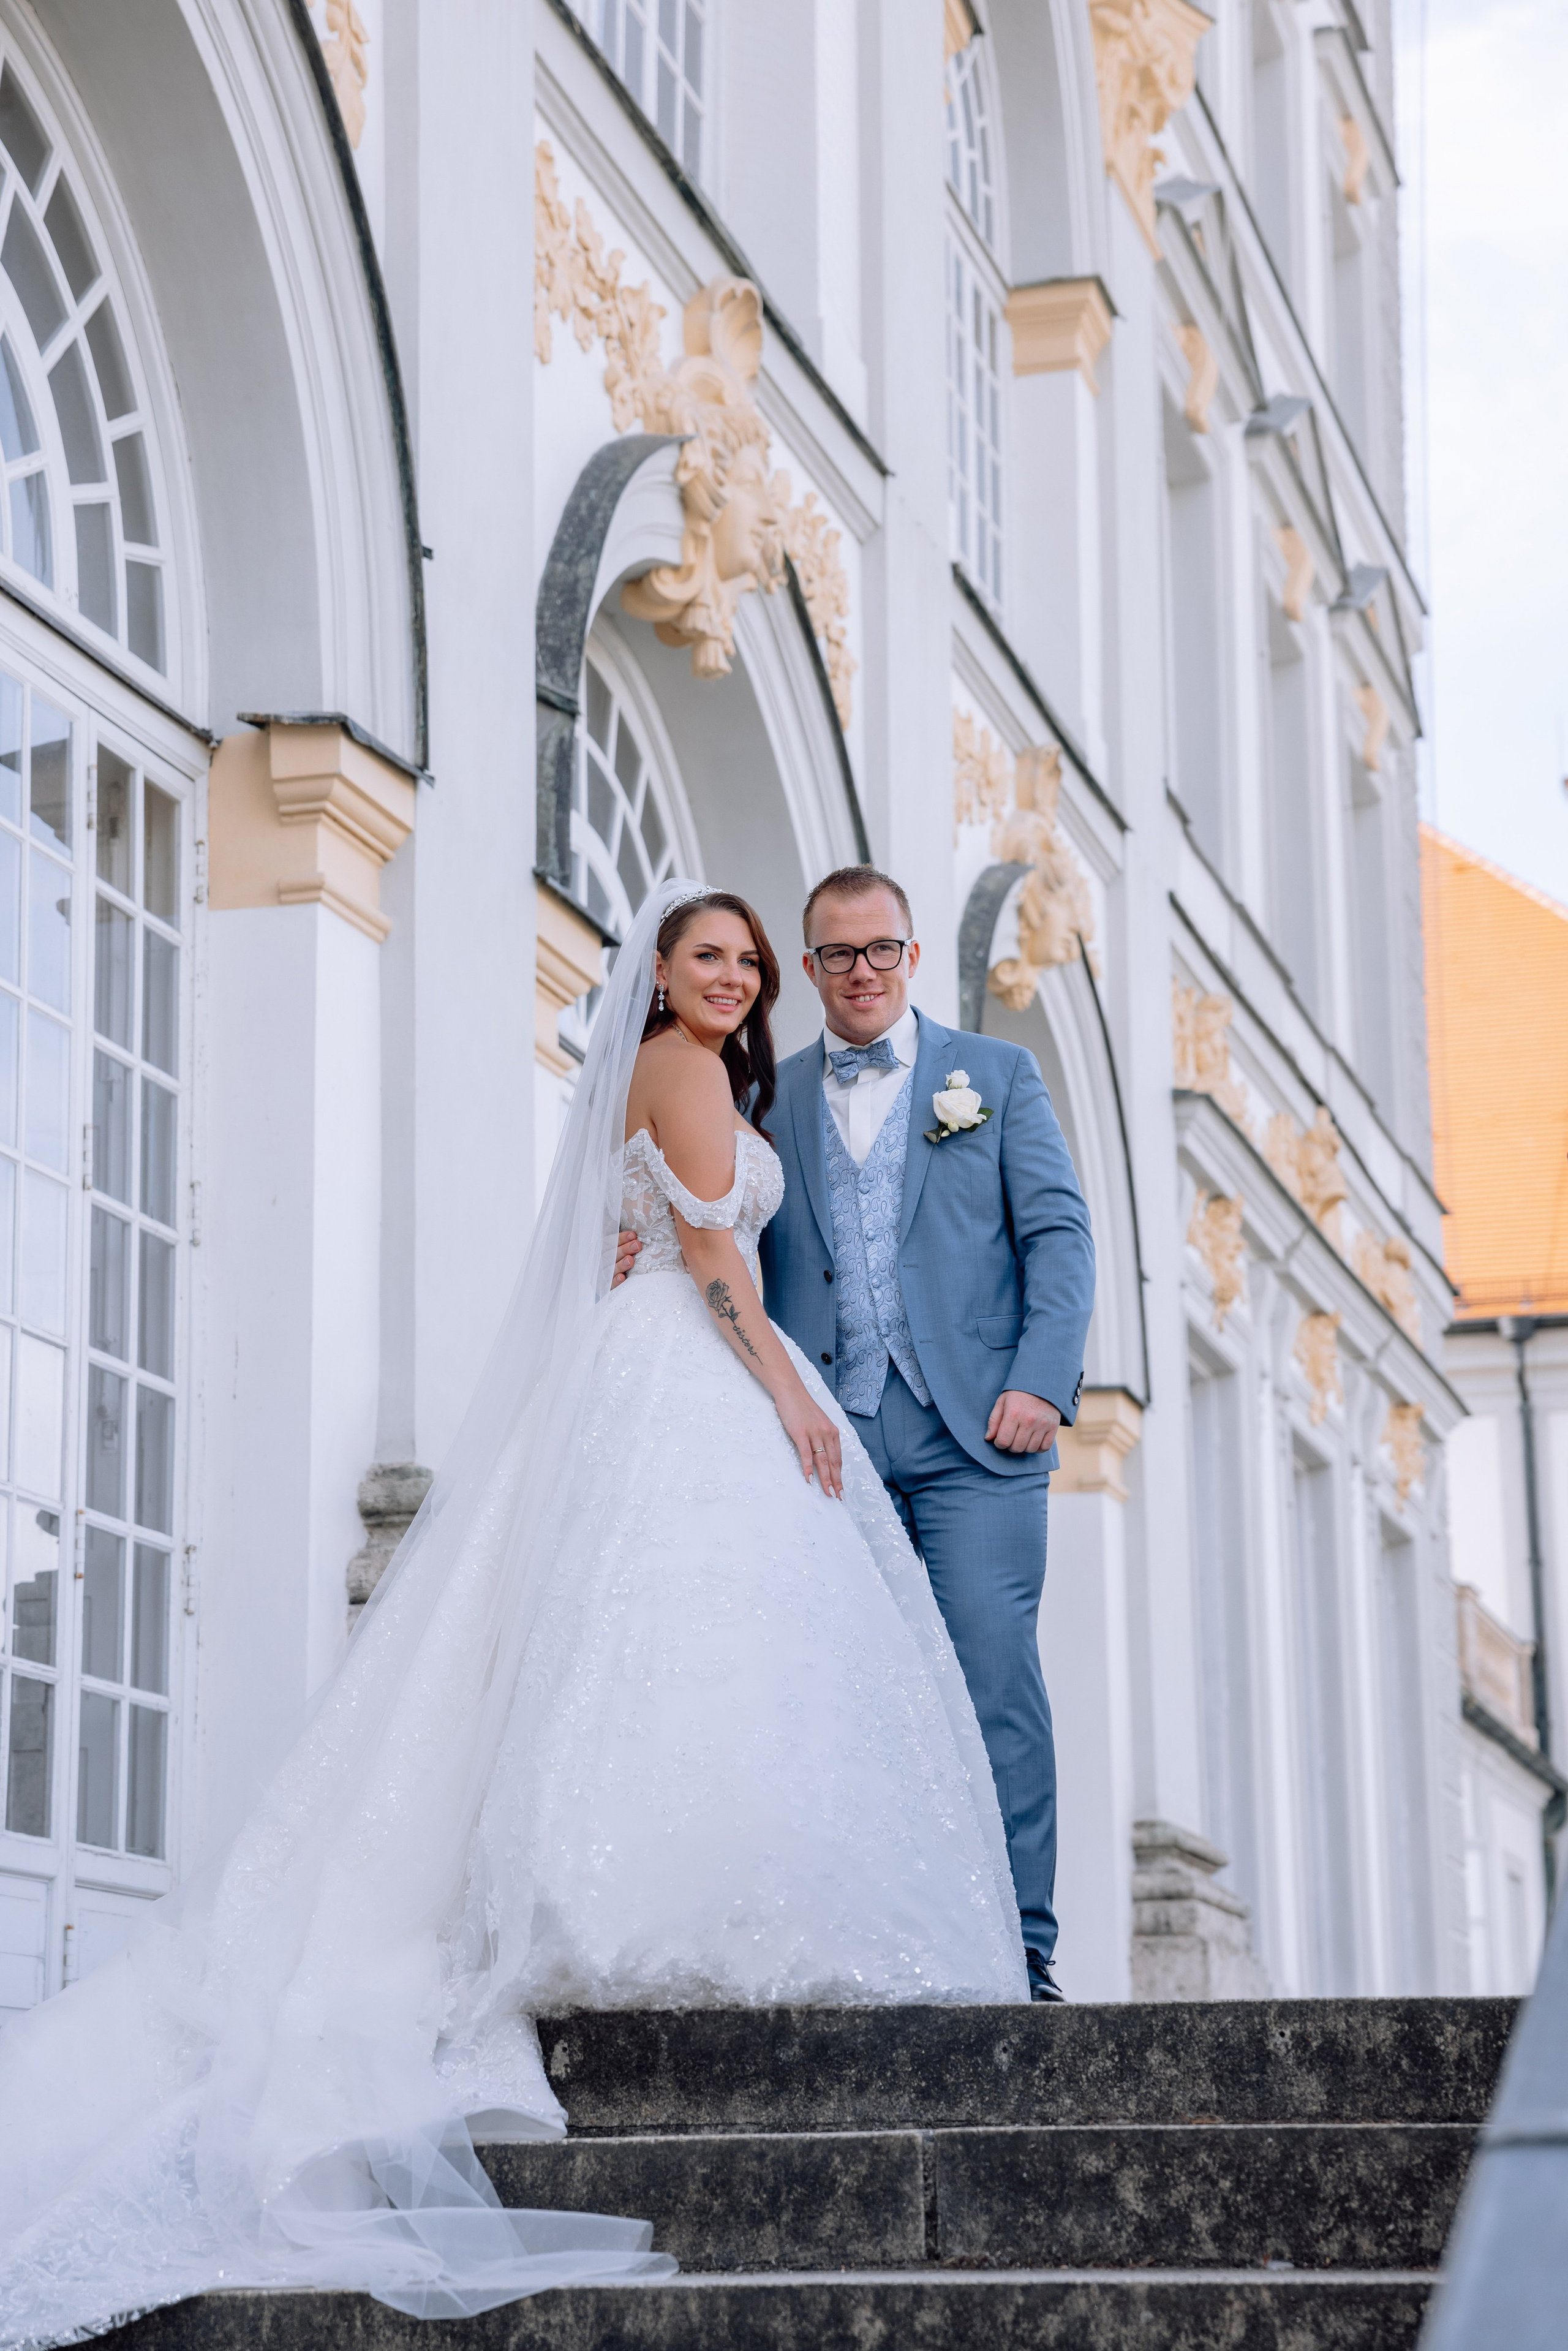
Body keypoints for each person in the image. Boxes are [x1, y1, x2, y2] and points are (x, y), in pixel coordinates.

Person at [0, 880, 1025, 2350]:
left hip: (666, 1353)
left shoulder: (699, 1074)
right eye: (708, 955)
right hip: (691, 1361)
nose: (731, 979)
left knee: (700, 1639)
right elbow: (718, 1265)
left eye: (746, 962)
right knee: (672, 1630)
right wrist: (792, 1390)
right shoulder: (678, 1065)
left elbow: (651, 1240)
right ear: (660, 972)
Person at [728, 865, 1095, 2000]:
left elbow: (1062, 1238)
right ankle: (879, 1950)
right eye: (838, 955)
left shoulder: (998, 1075)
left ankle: (1022, 1952)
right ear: (811, 967)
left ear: (914, 954)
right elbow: (728, 1240)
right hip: (829, 1448)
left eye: (882, 949)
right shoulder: (768, 1099)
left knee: (994, 1684)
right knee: (846, 1694)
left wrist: (1043, 1380)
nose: (863, 973)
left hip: (980, 1439)